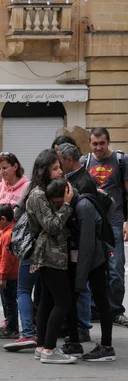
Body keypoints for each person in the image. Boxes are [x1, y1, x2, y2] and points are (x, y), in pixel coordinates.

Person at [4, 149, 63, 352]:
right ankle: (37, 334)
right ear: (45, 169)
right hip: (41, 251)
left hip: (34, 249)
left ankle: (29, 332)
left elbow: (22, 214)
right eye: (55, 168)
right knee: (43, 294)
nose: (60, 172)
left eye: (59, 167)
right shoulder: (49, 191)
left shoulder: (35, 191)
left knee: (25, 290)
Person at [80, 127, 128, 327]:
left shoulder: (120, 160)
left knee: (115, 269)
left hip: (115, 223)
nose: (98, 147)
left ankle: (116, 309)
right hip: (93, 224)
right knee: (93, 268)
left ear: (108, 142)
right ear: (90, 144)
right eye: (95, 144)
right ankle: (95, 309)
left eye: (102, 143)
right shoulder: (85, 162)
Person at [63, 186, 117, 361]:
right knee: (72, 299)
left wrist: (80, 278)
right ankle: (74, 343)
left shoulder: (83, 206)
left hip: (95, 260)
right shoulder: (77, 202)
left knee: (101, 300)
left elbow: (87, 244)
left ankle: (106, 347)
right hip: (86, 258)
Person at [28, 177, 76, 364]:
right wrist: (66, 205)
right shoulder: (43, 198)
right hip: (51, 256)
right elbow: (53, 226)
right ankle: (49, 349)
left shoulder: (44, 197)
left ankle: (42, 347)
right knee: (63, 302)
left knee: (47, 302)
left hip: (46, 256)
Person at [57, 142, 97, 342]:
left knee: (82, 285)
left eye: (59, 162)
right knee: (74, 284)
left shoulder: (83, 181)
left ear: (69, 160)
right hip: (73, 240)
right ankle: (74, 325)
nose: (58, 165)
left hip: (80, 240)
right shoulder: (74, 178)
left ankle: (83, 326)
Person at [0, 152, 29, 338]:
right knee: (2, 280)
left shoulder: (26, 186)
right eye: (0, 169)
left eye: (5, 168)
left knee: (15, 284)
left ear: (15, 166)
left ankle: (16, 323)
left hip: (16, 239)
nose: (2, 172)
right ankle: (9, 320)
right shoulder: (0, 187)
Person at [0, 204, 20, 339]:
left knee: (9, 302)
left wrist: (2, 276)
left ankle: (12, 327)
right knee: (10, 301)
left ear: (3, 219)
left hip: (9, 276)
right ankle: (10, 325)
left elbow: (6, 258)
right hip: (11, 275)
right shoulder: (8, 233)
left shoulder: (6, 236)